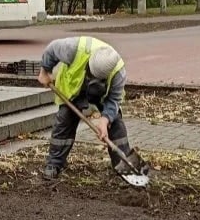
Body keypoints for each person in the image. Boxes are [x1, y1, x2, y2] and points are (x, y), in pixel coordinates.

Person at [37, 36, 139, 180]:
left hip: (101, 94)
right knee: (65, 120)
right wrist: (44, 72)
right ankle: (54, 164)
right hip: (74, 89)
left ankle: (124, 167)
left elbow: (114, 100)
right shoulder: (73, 49)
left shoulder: (118, 73)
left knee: (115, 123)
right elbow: (51, 49)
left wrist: (105, 120)